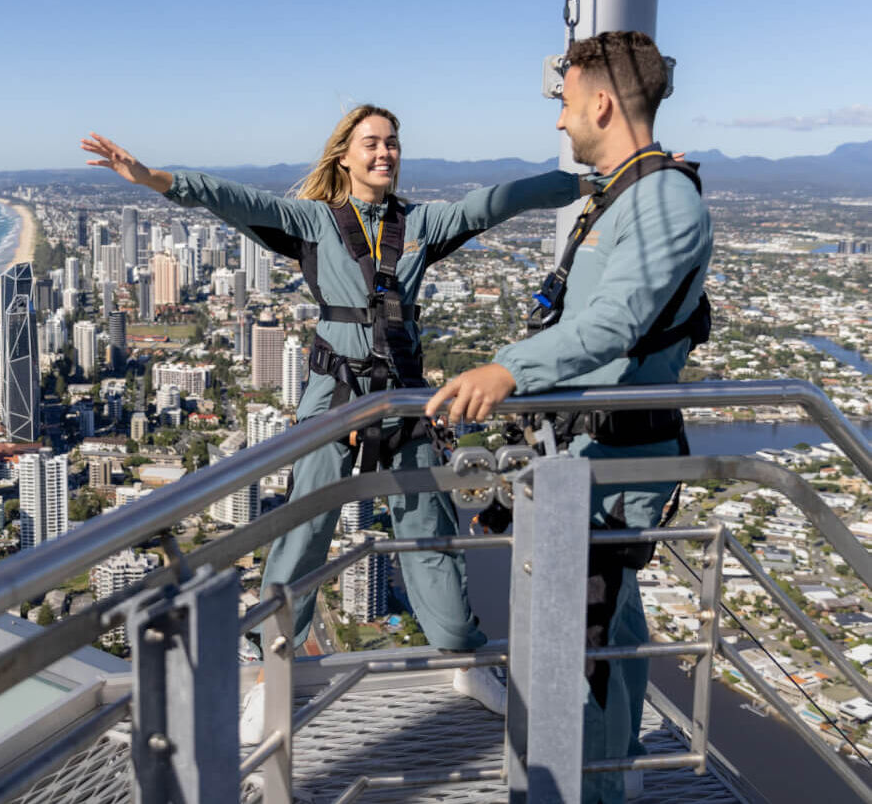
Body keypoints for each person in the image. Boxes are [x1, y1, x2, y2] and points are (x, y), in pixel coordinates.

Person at [81, 106, 589, 736]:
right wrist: (151, 176)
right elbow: (231, 198)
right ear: (344, 156)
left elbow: (496, 202)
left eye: (392, 143)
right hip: (332, 393)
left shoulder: (421, 224)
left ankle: (463, 654)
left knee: (427, 526)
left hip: (402, 394)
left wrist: (596, 183)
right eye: (370, 143)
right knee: (306, 524)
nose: (384, 152)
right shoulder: (314, 221)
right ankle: (273, 672)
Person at [425, 31, 713, 804]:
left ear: (602, 102)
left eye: (563, 103)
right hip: (588, 463)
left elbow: (614, 324)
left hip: (615, 468)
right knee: (612, 638)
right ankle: (612, 787)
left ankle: (595, 792)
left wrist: (509, 369)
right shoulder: (625, 194)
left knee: (583, 655)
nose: (559, 122)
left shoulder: (663, 201)